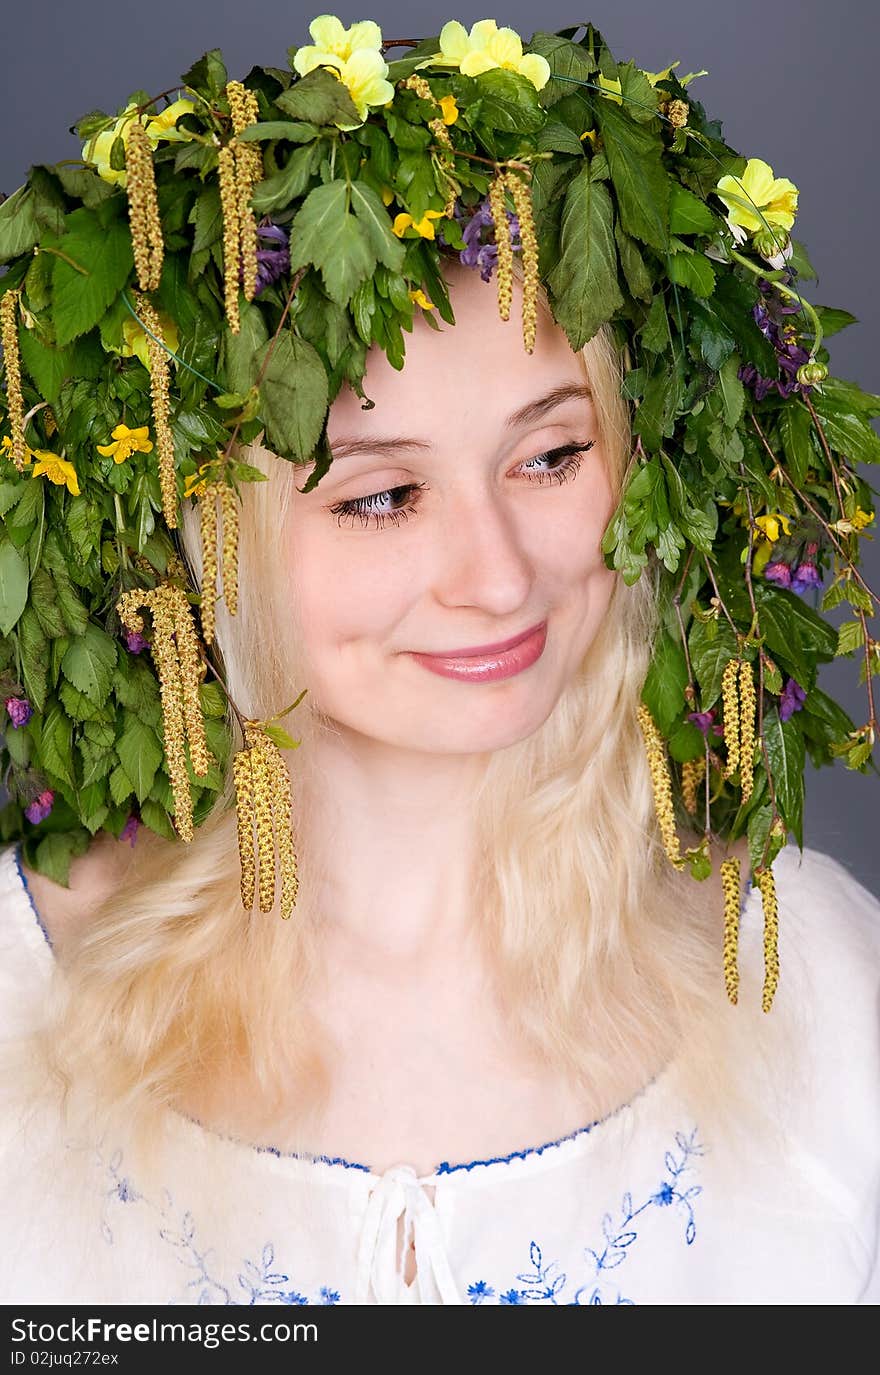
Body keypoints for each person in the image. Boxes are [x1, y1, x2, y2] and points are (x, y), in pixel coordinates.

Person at [1, 15, 878, 1306]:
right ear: (204, 528)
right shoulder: (16, 997)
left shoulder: (819, 975)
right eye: (378, 497)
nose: (499, 577)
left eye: (551, 458)